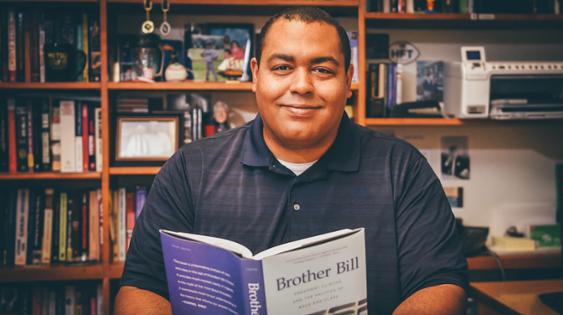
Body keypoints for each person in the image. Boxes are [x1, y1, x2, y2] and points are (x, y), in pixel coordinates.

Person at [115, 7, 467, 315]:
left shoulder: (402, 168)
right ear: (255, 75)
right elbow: (141, 288)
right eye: (282, 67)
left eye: (323, 70)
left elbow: (440, 284)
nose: (302, 86)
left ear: (348, 79)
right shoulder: (190, 169)